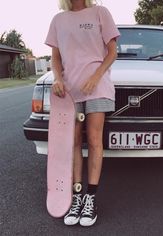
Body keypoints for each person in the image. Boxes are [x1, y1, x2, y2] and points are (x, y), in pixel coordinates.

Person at [45, 0, 120, 227]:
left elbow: (112, 52)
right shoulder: (58, 20)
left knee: (95, 140)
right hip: (69, 93)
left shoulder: (100, 12)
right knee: (74, 142)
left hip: (97, 89)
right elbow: (55, 58)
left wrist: (96, 77)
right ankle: (76, 197)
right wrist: (58, 78)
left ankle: (91, 198)